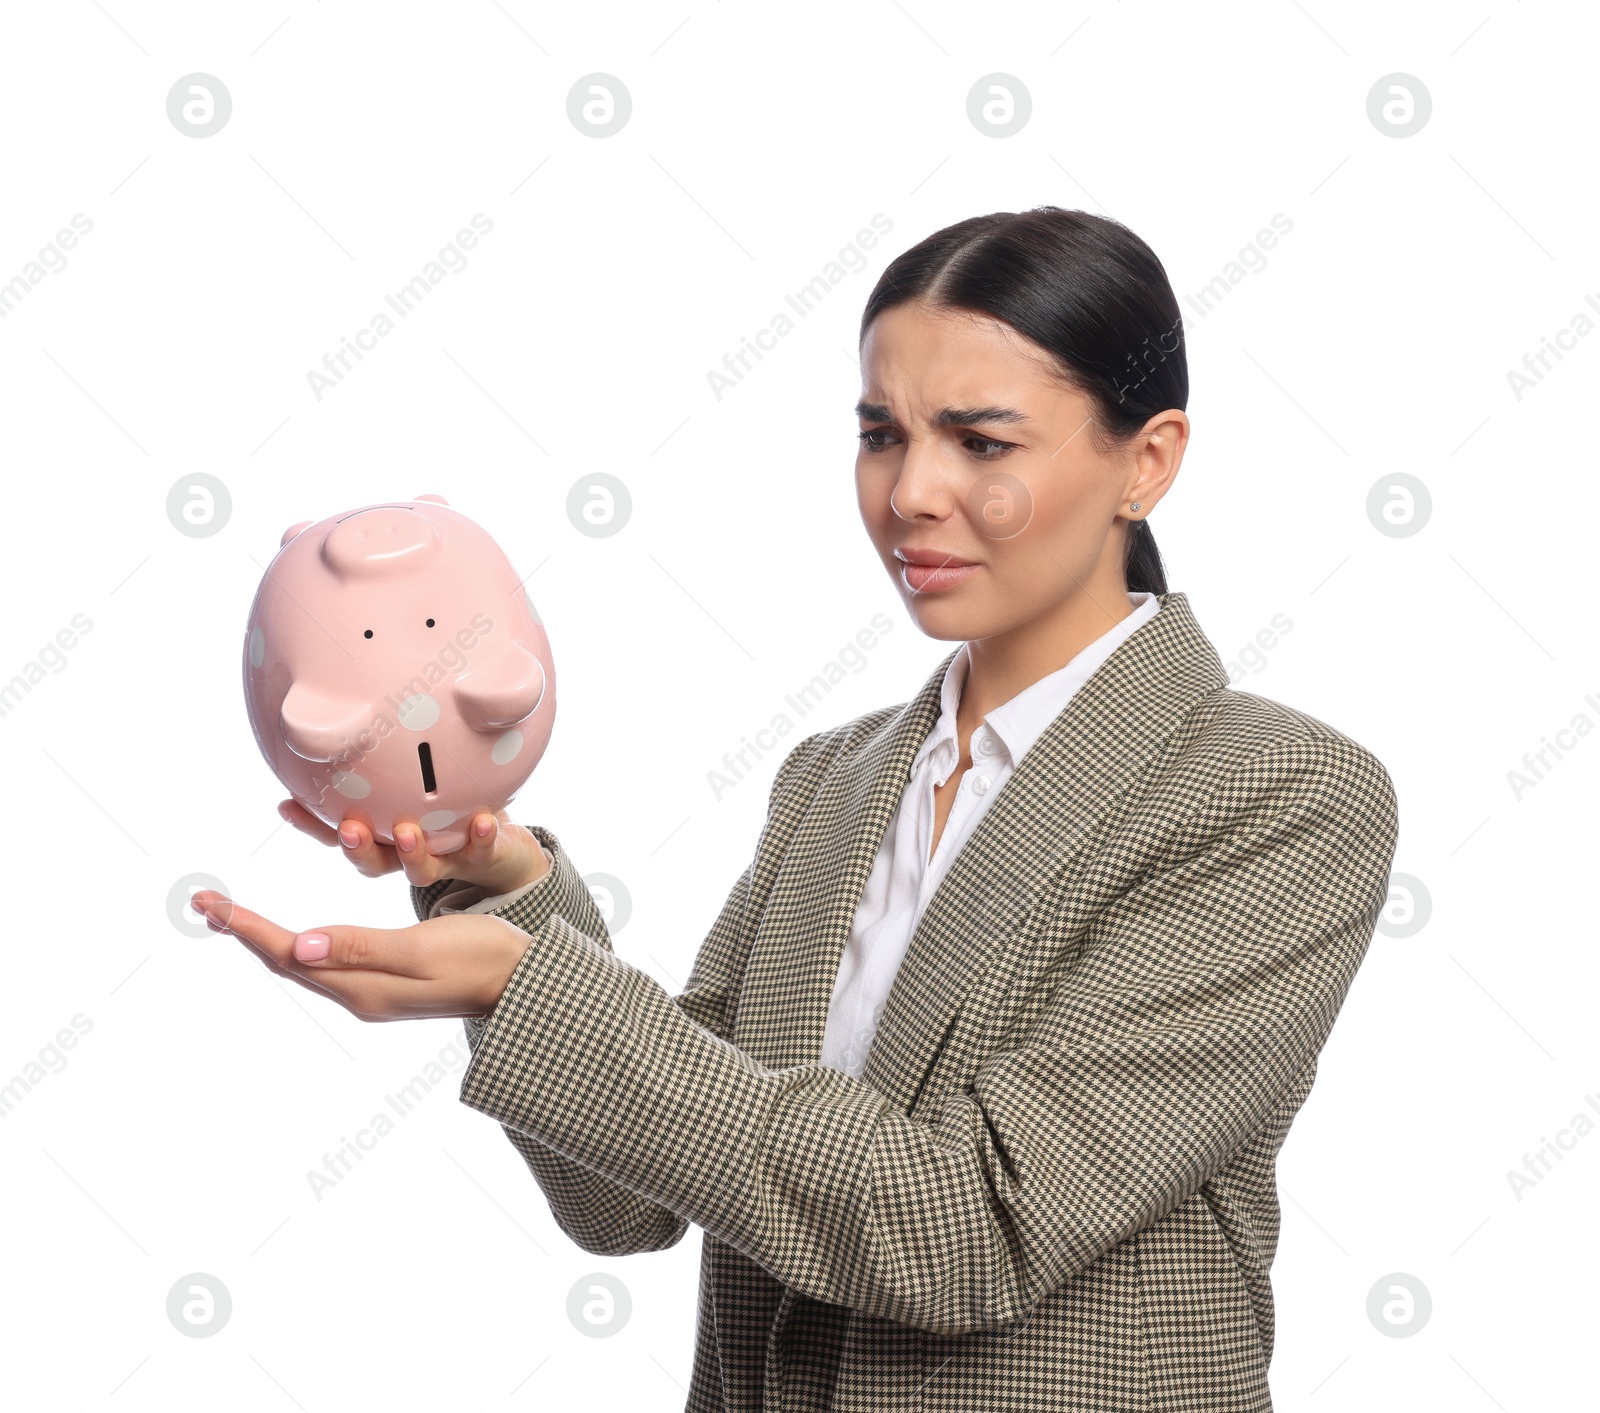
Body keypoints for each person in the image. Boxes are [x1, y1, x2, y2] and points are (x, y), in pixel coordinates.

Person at [195, 206, 1400, 1411]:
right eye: (882, 434)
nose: (910, 493)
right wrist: (498, 885)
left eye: (981, 443)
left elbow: (970, 1230)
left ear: (1147, 460)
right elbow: (633, 1199)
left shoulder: (1275, 797)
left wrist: (521, 986)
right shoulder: (835, 778)